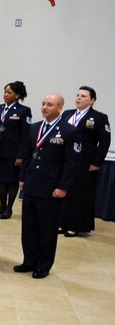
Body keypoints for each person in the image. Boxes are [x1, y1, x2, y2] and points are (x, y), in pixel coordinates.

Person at [15, 93, 81, 279]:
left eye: (49, 105)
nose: (44, 107)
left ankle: (44, 264)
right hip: (32, 184)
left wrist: (63, 187)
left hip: (51, 188)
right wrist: (22, 178)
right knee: (28, 227)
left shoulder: (69, 131)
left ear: (59, 107)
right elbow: (28, 155)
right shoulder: (34, 128)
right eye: (43, 104)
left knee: (47, 229)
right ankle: (29, 260)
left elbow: (72, 163)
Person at [59, 86, 110, 237]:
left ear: (92, 100)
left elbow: (105, 142)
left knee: (80, 194)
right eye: (77, 95)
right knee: (64, 190)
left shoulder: (99, 117)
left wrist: (96, 163)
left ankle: (75, 225)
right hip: (66, 160)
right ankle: (62, 222)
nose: (78, 98)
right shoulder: (68, 114)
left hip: (85, 162)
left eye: (83, 96)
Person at [0, 81, 32, 220]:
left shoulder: (24, 111)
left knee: (12, 181)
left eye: (9, 92)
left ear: (17, 95)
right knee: (2, 180)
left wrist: (20, 155)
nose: (5, 95)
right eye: (5, 92)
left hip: (13, 152)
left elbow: (25, 135)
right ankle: (1, 207)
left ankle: (9, 208)